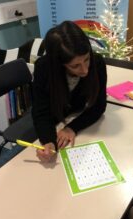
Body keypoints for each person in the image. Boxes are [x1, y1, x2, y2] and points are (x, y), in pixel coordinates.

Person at [32, 21, 107, 162]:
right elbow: (41, 111)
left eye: (86, 59)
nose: (85, 70)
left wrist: (72, 128)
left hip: (77, 117)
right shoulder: (44, 68)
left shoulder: (97, 63)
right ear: (59, 63)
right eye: (75, 66)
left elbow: (99, 106)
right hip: (53, 121)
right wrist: (48, 141)